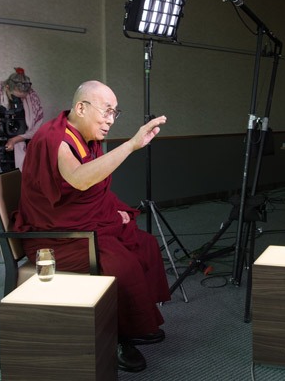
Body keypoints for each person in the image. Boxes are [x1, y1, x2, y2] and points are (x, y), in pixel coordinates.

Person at [11, 80, 171, 373]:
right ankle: (119, 338)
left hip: (75, 222)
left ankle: (136, 324)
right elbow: (81, 180)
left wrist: (113, 211)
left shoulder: (83, 135)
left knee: (144, 243)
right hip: (54, 237)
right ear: (81, 107)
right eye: (106, 112)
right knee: (121, 264)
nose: (111, 120)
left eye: (115, 113)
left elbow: (90, 192)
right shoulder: (54, 138)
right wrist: (131, 145)